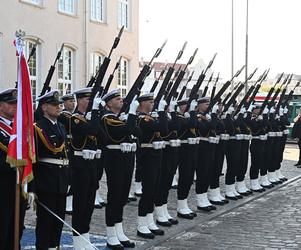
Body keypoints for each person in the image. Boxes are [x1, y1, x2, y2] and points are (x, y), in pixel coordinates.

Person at [101, 89, 139, 249]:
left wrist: (129, 118)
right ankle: (111, 234)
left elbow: (138, 131)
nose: (121, 100)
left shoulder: (120, 118)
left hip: (127, 159)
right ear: (109, 104)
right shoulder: (107, 118)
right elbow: (124, 131)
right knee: (115, 195)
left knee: (123, 196)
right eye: (117, 99)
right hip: (114, 160)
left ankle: (119, 230)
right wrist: (131, 114)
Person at [33, 90, 70, 250]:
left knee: (58, 221)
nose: (59, 107)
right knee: (45, 222)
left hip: (61, 181)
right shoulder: (38, 128)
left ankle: (55, 247)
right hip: (46, 182)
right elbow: (33, 159)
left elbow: (66, 156)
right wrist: (32, 187)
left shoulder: (61, 126)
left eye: (59, 104)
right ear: (44, 107)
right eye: (54, 105)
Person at [69, 87, 102, 249]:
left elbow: (100, 133)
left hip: (92, 165)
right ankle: (77, 241)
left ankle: (85, 236)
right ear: (80, 101)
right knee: (80, 204)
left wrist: (95, 114)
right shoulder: (73, 118)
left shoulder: (89, 117)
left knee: (89, 204)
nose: (90, 102)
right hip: (79, 166)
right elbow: (92, 130)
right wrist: (94, 113)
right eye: (88, 99)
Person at [136, 94, 168, 239]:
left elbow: (165, 130)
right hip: (147, 158)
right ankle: (141, 224)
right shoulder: (143, 119)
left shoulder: (150, 118)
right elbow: (162, 127)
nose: (153, 104)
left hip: (156, 157)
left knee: (153, 191)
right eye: (150, 102)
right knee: (147, 191)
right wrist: (162, 112)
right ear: (142, 103)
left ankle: (149, 221)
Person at [0, 88, 28, 250]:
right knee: (2, 228)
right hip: (3, 186)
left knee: (16, 229)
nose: (15, 106)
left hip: (19, 186)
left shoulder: (21, 129)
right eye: (10, 103)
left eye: (16, 103)